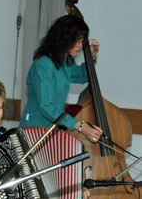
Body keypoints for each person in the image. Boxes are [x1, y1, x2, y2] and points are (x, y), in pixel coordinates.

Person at [21, 14, 103, 143]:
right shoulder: (44, 64)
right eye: (78, 41)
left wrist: (91, 57)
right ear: (65, 38)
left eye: (83, 41)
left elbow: (82, 76)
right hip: (34, 130)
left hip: (51, 130)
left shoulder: (65, 62)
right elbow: (46, 106)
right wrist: (80, 126)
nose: (81, 46)